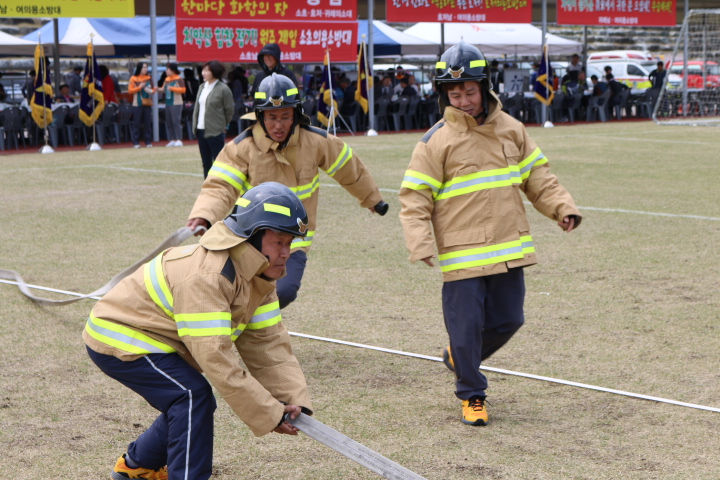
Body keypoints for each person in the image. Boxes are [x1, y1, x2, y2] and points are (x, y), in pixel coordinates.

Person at [399, 42, 582, 427]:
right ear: (444, 95)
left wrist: (562, 207)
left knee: (509, 320)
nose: (463, 101)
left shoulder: (512, 129)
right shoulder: (434, 141)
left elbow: (539, 177)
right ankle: (472, 394)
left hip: (508, 248)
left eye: (470, 91)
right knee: (465, 330)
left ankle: (458, 357)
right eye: (455, 94)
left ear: (484, 87)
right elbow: (415, 196)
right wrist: (419, 241)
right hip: (462, 255)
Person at [84, 182, 313, 480]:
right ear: (251, 237)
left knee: (186, 397)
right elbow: (215, 357)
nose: (286, 253)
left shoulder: (260, 277)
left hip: (159, 339)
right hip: (119, 335)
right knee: (191, 396)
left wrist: (291, 398)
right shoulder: (208, 275)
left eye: (290, 243)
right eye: (279, 242)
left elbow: (268, 345)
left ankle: (136, 467)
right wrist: (269, 413)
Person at [186, 73, 386, 310]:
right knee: (237, 290)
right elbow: (220, 186)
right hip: (252, 237)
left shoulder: (317, 141)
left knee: (284, 291)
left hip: (293, 239)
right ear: (260, 116)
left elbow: (348, 169)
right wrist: (204, 215)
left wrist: (372, 199)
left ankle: (251, 322)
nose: (278, 125)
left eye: (285, 117)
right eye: (271, 117)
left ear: (296, 114)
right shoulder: (242, 147)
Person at [192, 60, 234, 177]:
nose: (203, 73)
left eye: (207, 70)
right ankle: (207, 185)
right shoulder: (202, 87)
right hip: (201, 130)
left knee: (218, 163)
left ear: (215, 72)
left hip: (215, 131)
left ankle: (220, 185)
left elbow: (229, 110)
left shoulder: (223, 89)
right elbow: (198, 108)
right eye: (203, 70)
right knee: (206, 163)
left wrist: (224, 125)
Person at [128, 62, 157, 148]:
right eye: (144, 67)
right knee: (136, 123)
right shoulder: (134, 78)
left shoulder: (149, 78)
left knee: (147, 123)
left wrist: (151, 90)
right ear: (139, 68)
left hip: (147, 103)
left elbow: (153, 90)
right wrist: (139, 87)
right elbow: (130, 91)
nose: (145, 69)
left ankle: (148, 141)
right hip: (137, 104)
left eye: (146, 67)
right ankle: (136, 142)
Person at [163, 63, 187, 147]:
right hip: (168, 102)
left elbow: (183, 90)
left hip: (176, 102)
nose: (166, 71)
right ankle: (173, 139)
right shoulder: (166, 79)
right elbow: (163, 89)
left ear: (172, 70)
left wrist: (172, 88)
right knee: (169, 121)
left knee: (176, 121)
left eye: (168, 69)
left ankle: (179, 139)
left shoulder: (179, 79)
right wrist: (155, 89)